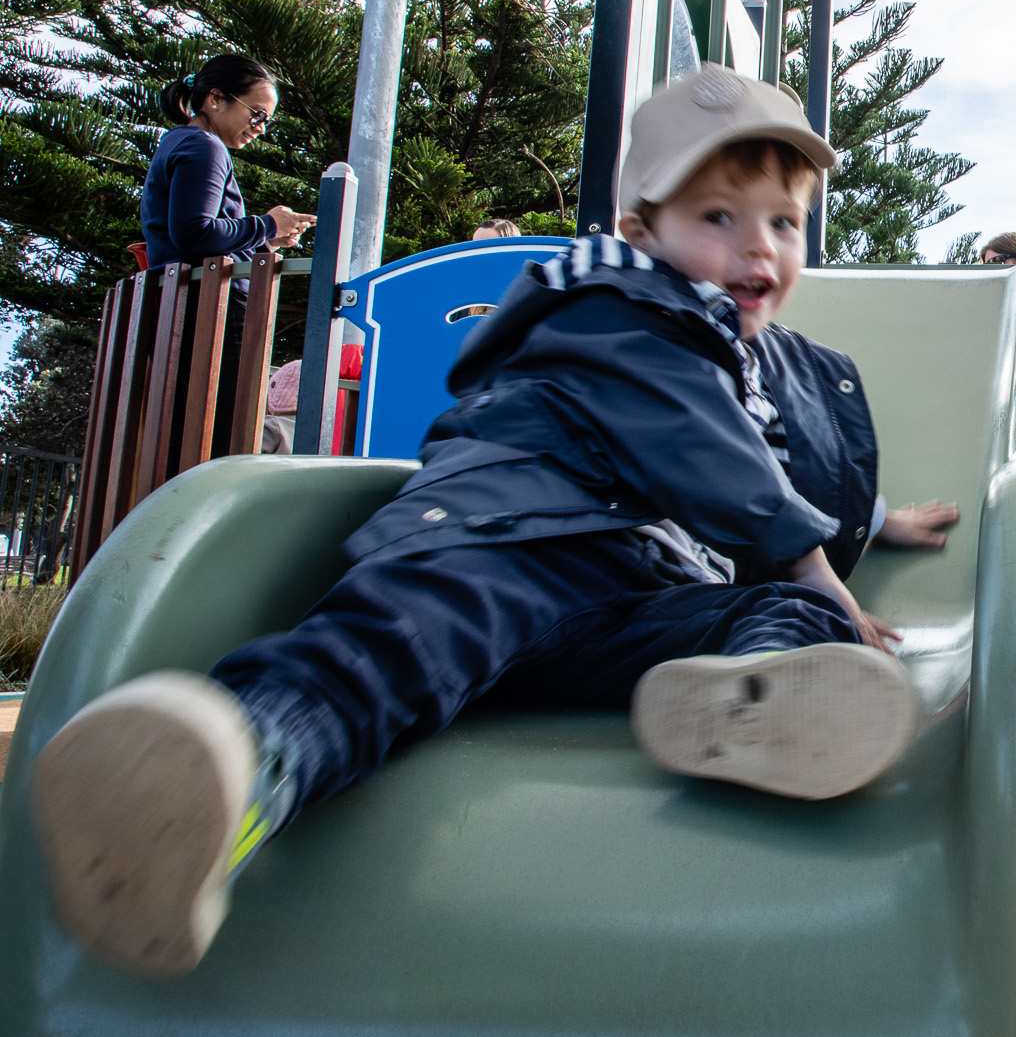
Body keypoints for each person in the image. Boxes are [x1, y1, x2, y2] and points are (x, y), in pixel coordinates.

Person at [32, 66, 959, 980]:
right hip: (500, 549)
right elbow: (716, 457)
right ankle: (228, 776)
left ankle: (743, 694)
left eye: (785, 222)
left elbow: (766, 454)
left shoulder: (724, 346)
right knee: (386, 652)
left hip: (618, 606)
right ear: (642, 230)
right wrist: (824, 577)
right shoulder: (617, 305)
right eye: (719, 217)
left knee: (772, 613)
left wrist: (872, 520)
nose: (759, 247)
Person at [140, 55, 316, 462]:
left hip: (183, 307)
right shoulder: (205, 147)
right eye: (256, 114)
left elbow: (187, 236)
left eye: (266, 120)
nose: (261, 128)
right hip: (212, 312)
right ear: (216, 99)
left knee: (187, 437)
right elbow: (195, 232)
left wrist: (264, 245)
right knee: (224, 439)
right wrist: (268, 225)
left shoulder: (179, 140)